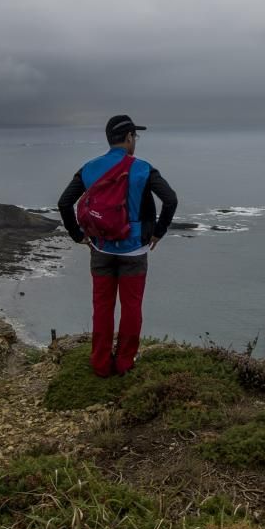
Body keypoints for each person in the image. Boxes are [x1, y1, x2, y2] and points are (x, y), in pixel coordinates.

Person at [57, 115, 178, 377]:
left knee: (102, 306)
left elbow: (64, 203)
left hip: (100, 248)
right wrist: (158, 232)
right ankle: (124, 363)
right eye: (135, 136)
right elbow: (170, 199)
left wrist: (77, 235)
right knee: (131, 307)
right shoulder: (143, 168)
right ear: (128, 138)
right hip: (134, 250)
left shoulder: (89, 168)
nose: (135, 141)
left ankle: (100, 363)